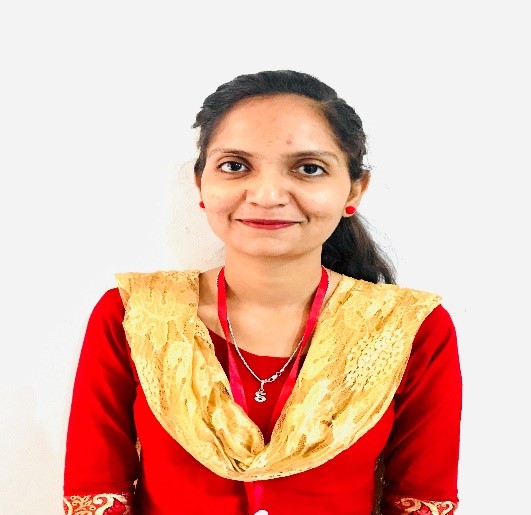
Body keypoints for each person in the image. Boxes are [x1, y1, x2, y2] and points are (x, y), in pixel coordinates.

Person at [63, 70, 462, 515]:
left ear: (355, 189)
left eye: (308, 168)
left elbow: (421, 501)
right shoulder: (137, 314)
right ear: (200, 183)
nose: (268, 195)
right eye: (235, 166)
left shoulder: (409, 329)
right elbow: (95, 497)